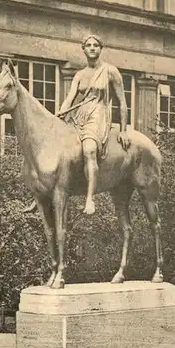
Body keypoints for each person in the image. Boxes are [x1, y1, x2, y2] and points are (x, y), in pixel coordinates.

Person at [58, 35, 131, 214]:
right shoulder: (79, 75)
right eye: (88, 45)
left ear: (101, 48)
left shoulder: (110, 71)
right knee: (59, 148)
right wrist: (60, 114)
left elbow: (122, 102)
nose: (92, 48)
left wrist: (123, 130)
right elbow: (69, 99)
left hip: (99, 114)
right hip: (80, 114)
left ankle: (90, 198)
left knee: (89, 149)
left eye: (95, 45)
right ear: (83, 49)